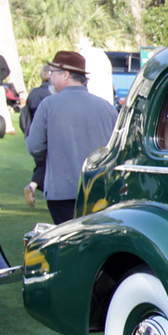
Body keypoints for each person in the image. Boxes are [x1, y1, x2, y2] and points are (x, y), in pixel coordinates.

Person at [25, 50, 118, 223]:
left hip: (62, 193)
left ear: (66, 75)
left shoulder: (49, 105)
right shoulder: (107, 108)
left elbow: (34, 147)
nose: (50, 77)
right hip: (100, 192)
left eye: (53, 73)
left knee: (69, 243)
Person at [20, 63, 56, 205]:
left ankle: (33, 186)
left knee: (41, 165)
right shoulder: (51, 95)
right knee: (48, 166)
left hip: (33, 135)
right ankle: (38, 189)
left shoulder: (34, 93)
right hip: (48, 135)